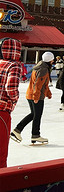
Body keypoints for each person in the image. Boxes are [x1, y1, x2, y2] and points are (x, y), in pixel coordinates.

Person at [11, 51, 54, 145]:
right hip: (35, 96)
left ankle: (17, 130)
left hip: (31, 94)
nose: (53, 60)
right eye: (52, 59)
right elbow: (37, 84)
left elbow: (43, 85)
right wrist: (36, 97)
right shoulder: (43, 69)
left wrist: (48, 93)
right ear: (49, 60)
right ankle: (35, 134)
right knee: (37, 115)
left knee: (34, 114)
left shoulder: (41, 67)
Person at [0, 38, 23, 167]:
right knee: (1, 151)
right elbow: (11, 88)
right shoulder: (13, 65)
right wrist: (14, 100)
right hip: (2, 112)